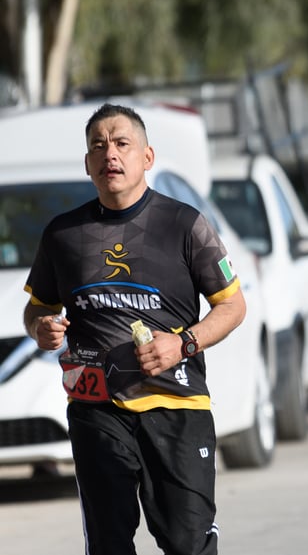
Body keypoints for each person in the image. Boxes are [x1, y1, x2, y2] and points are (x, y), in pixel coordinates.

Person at [22, 103, 246, 555]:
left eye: (122, 143)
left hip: (177, 405)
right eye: (98, 147)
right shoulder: (63, 234)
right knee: (109, 544)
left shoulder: (184, 224)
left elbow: (233, 306)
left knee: (186, 542)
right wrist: (41, 329)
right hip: (96, 410)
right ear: (87, 164)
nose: (110, 155)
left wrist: (182, 343)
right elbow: (37, 310)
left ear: (147, 157)